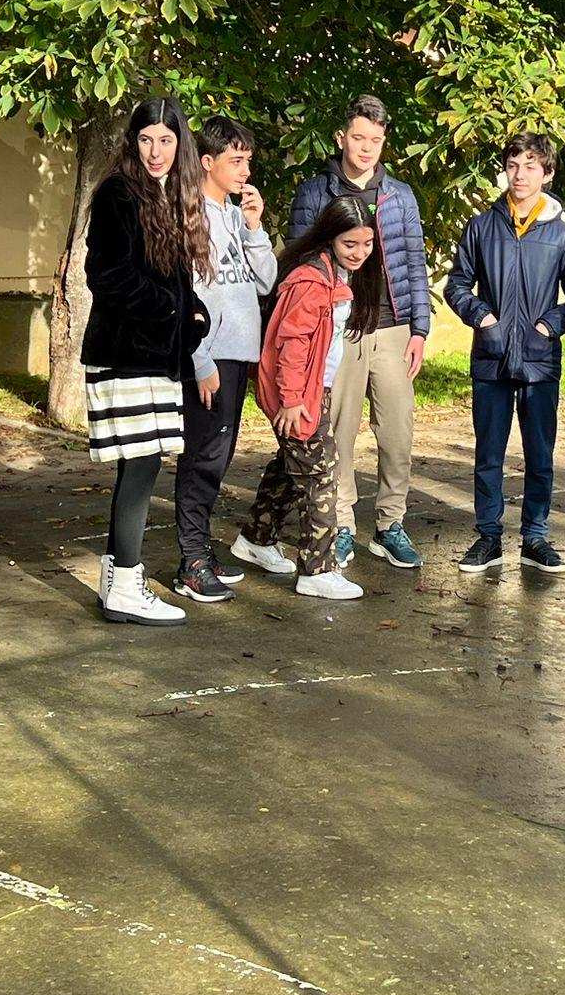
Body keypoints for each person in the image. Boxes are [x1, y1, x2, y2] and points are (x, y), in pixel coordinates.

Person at [81, 98, 212, 627]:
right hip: (125, 353)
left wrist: (191, 310)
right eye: (145, 140)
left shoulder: (167, 194)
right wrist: (175, 312)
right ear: (132, 143)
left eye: (166, 140)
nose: (155, 151)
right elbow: (108, 276)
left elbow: (170, 279)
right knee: (140, 467)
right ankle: (126, 587)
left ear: (180, 144)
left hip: (154, 354)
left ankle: (117, 586)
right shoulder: (118, 192)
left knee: (142, 465)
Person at [290, 95, 432, 571]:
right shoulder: (316, 192)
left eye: (375, 139)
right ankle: (343, 524)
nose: (366, 147)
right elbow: (298, 261)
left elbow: (414, 263)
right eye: (358, 137)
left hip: (393, 329)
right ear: (341, 138)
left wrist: (419, 329)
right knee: (339, 431)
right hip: (341, 328)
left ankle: (390, 524)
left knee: (397, 433)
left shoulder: (401, 196)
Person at [444, 132, 565, 572]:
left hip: (539, 361)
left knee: (539, 455)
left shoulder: (561, 236)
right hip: (491, 358)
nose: (520, 175)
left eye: (531, 166)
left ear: (547, 174)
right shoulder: (481, 227)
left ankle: (535, 537)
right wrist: (482, 317)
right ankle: (488, 538)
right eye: (513, 165)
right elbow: (457, 284)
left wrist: (550, 325)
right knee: (489, 454)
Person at [232, 196, 385, 600]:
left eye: (366, 243)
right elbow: (292, 343)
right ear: (330, 237)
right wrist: (292, 399)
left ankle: (256, 538)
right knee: (322, 473)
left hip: (315, 389)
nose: (359, 252)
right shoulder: (310, 281)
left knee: (293, 464)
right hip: (296, 394)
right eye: (350, 243)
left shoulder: (336, 274)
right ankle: (317, 569)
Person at [172, 116, 278, 604]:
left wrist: (255, 226)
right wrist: (199, 359)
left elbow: (265, 280)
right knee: (203, 456)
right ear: (207, 162)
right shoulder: (189, 216)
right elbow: (185, 295)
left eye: (247, 161)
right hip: (209, 355)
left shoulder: (236, 216)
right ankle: (191, 561)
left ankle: (202, 549)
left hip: (239, 352)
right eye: (236, 161)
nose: (245, 171)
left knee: (221, 454)